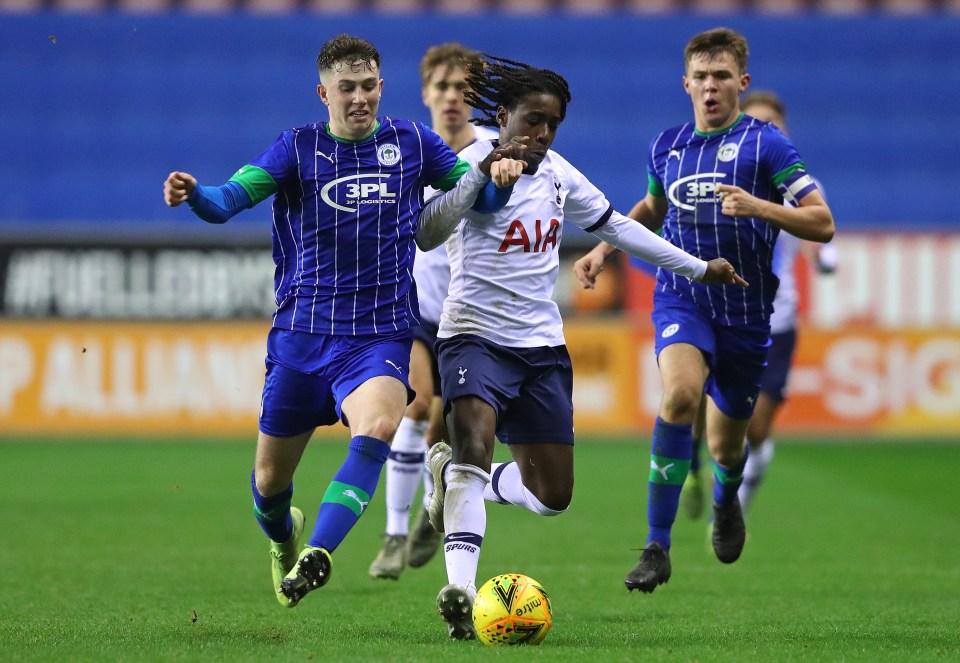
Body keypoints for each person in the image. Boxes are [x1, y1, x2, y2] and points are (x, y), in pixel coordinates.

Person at [163, 34, 523, 609]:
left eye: (368, 87)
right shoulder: (295, 149)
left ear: (381, 86)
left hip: (378, 334)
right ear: (324, 92)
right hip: (300, 339)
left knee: (380, 426)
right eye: (346, 89)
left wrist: (497, 181)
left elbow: (475, 201)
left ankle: (319, 554)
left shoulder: (411, 141)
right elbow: (229, 199)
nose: (360, 99)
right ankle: (285, 540)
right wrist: (195, 194)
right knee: (268, 486)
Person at [418, 52, 746, 640]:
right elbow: (427, 231)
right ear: (502, 114)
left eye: (552, 125)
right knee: (471, 441)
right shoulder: (466, 161)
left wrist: (698, 269)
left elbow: (617, 225)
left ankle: (462, 477)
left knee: (552, 496)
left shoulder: (559, 174)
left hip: (540, 348)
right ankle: (462, 594)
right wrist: (477, 178)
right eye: (533, 121)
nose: (542, 134)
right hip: (471, 337)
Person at [574, 28, 835, 594]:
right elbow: (650, 206)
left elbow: (823, 221)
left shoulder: (768, 145)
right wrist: (601, 248)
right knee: (680, 395)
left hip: (745, 311)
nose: (711, 87)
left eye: (722, 77)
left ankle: (725, 499)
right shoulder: (666, 146)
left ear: (741, 83)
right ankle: (656, 546)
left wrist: (761, 206)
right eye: (701, 77)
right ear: (686, 83)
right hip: (682, 296)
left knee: (726, 445)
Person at [368, 43, 499, 580]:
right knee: (417, 405)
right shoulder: (405, 152)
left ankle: (431, 510)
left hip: (472, 316)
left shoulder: (495, 154)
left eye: (463, 90)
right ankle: (395, 535)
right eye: (442, 87)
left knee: (448, 435)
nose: (452, 98)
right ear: (425, 93)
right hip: (414, 310)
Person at [678, 91, 838, 518]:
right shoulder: (720, 177)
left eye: (772, 124)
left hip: (775, 318)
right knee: (693, 399)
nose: (763, 131)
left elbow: (818, 236)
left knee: (758, 427)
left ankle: (733, 503)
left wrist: (824, 257)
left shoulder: (802, 185)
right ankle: (692, 464)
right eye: (757, 123)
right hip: (716, 309)